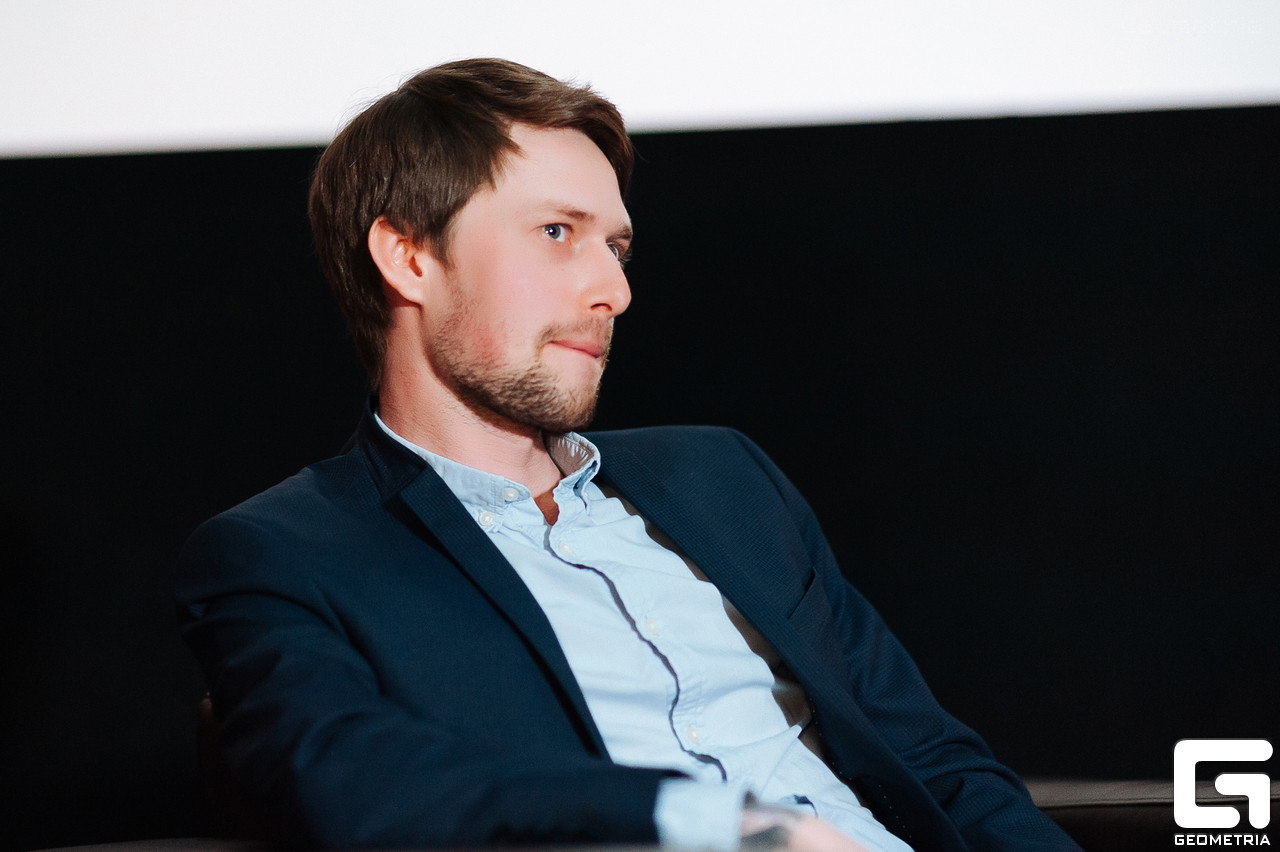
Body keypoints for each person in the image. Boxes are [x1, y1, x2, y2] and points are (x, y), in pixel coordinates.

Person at [176, 58, 1080, 851]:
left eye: (616, 246)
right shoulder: (285, 554)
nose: (614, 288)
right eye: (557, 233)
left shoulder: (724, 478)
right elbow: (360, 784)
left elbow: (933, 759)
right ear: (409, 257)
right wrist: (720, 825)